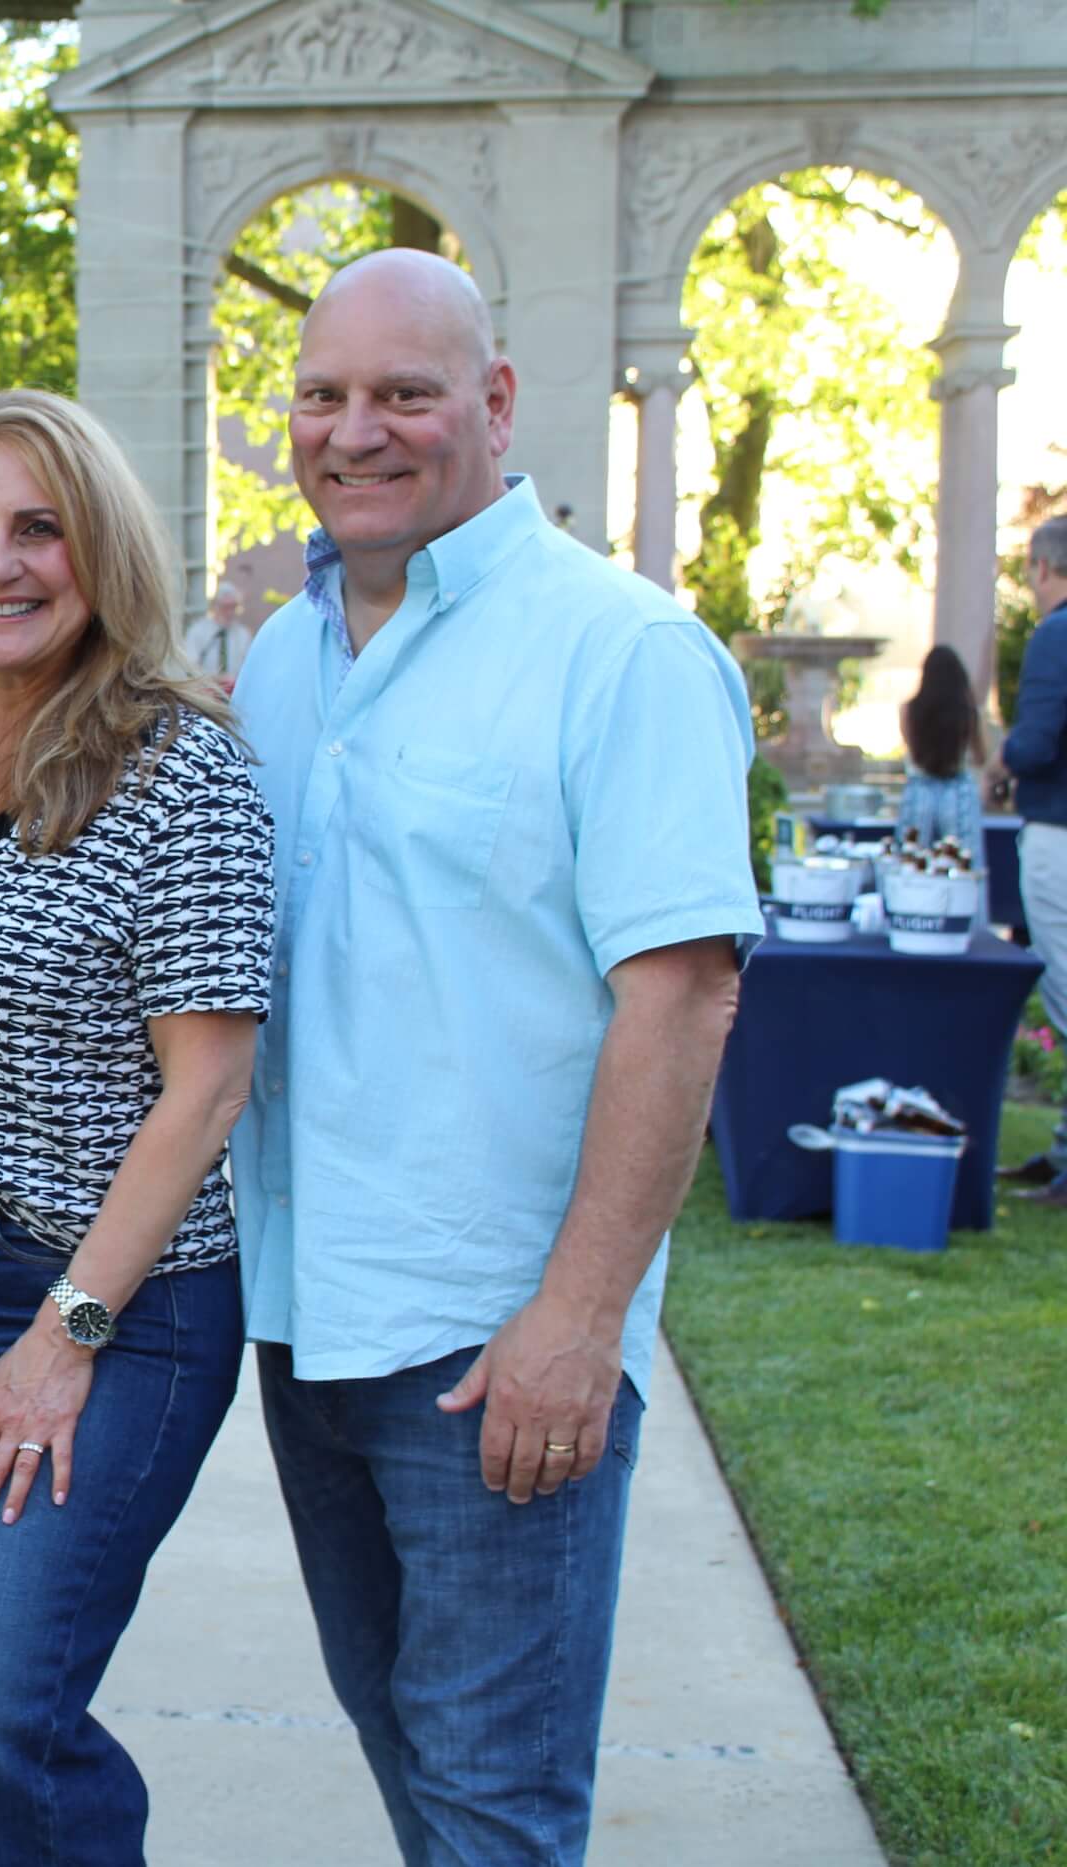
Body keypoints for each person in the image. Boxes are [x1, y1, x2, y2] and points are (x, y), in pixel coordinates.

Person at [227, 249, 759, 1865]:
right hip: (305, 1326)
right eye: (325, 395)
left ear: (497, 402)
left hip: (495, 1354)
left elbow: (682, 1001)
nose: (357, 430)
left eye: (405, 392)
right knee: (416, 1766)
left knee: (492, 1809)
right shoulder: (284, 662)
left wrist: (581, 1315)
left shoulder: (624, 654)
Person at [0, 388, 274, 1862]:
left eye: (41, 529)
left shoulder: (181, 769)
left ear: (102, 553)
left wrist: (64, 1329)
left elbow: (207, 1082)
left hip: (109, 1301)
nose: (0, 563)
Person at [994, 514, 1067, 1197]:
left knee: (1066, 996)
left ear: (1043, 569)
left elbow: (1035, 745)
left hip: (1059, 831)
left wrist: (1000, 753)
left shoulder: (1055, 634)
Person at [897, 645, 987, 853]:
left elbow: (911, 749)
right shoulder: (969, 711)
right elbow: (981, 756)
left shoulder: (910, 709)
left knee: (913, 862)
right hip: (958, 790)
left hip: (920, 790)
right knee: (964, 862)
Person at [179, 581, 255, 691]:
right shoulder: (198, 631)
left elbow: (250, 668)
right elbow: (189, 667)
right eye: (225, 607)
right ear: (215, 606)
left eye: (233, 607)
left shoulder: (243, 635)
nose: (230, 612)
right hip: (205, 692)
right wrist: (216, 679)